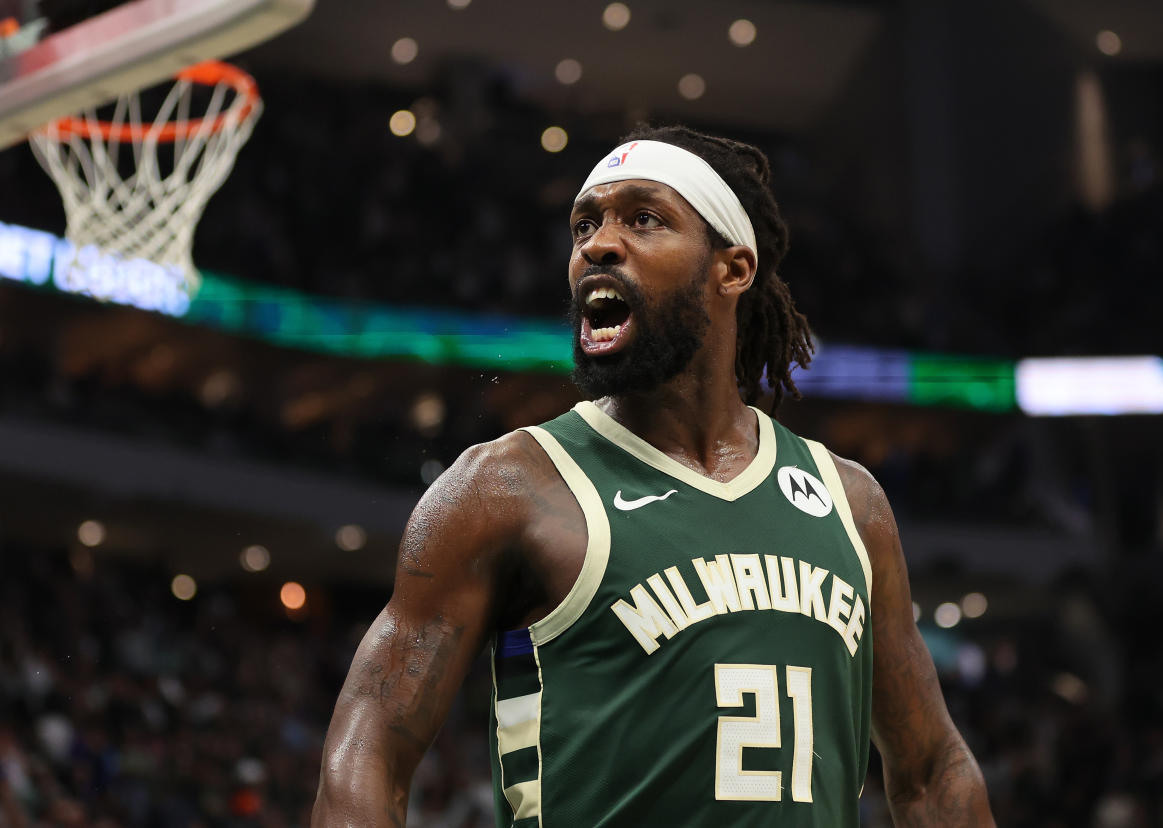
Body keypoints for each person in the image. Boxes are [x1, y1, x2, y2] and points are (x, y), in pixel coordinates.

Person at [312, 126, 994, 827]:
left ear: (732, 269)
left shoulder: (852, 505)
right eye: (585, 224)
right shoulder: (505, 488)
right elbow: (366, 758)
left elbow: (932, 771)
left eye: (644, 219)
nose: (598, 245)